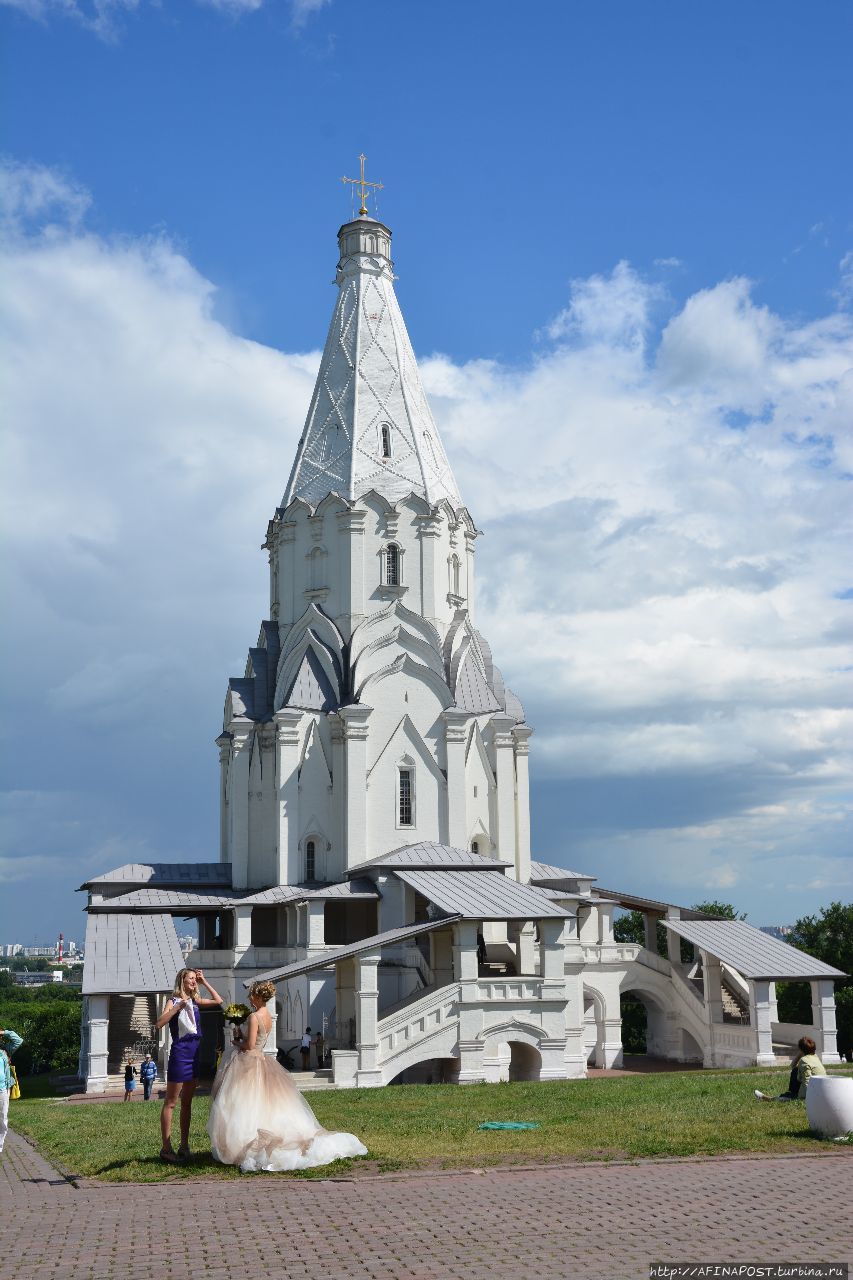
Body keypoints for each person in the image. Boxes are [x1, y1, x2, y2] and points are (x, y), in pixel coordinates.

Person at [207, 980, 367, 1172]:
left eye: (251, 995)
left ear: (258, 996)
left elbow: (249, 1046)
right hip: (263, 1060)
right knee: (267, 1103)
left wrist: (236, 1040)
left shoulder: (254, 1016)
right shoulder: (267, 1015)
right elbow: (258, 1041)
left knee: (243, 1103)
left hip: (249, 1063)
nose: (249, 998)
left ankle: (243, 1144)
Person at [154, 967, 223, 1163]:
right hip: (180, 1054)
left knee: (187, 1103)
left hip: (195, 1054)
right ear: (182, 981)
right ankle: (166, 1148)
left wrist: (204, 982)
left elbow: (219, 1001)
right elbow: (159, 1024)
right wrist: (177, 1008)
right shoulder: (173, 1001)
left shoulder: (195, 1001)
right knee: (171, 1102)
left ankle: (184, 1145)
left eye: (195, 979)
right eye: (191, 979)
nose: (193, 981)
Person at [754, 1036, 827, 1102]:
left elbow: (806, 1081)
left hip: (812, 1094)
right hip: (821, 1091)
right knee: (796, 1070)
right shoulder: (815, 1057)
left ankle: (767, 1098)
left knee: (794, 1073)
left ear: (801, 1049)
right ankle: (788, 1094)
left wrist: (805, 1098)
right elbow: (794, 1066)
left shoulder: (804, 1060)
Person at [0, 1027, 23, 1155]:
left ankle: (0, 1146)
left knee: (3, 1117)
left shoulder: (5, 1050)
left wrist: (4, 1032)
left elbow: (18, 1040)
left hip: (3, 1089)